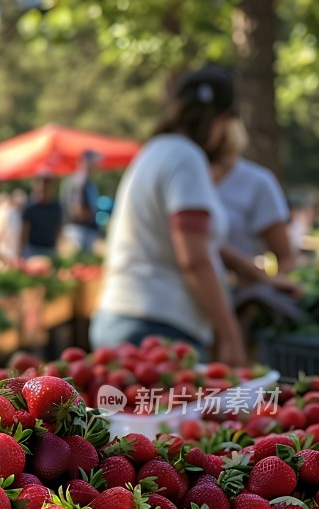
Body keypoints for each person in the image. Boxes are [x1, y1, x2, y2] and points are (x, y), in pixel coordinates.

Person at [92, 67, 247, 362]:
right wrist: (230, 336)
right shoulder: (186, 158)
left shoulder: (155, 152)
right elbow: (194, 258)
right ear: (220, 120)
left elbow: (191, 241)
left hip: (126, 320)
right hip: (158, 330)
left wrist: (252, 273)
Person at [212, 119, 295, 274]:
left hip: (243, 292)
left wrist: (268, 286)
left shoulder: (258, 182)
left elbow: (285, 257)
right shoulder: (181, 178)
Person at [64, 150, 102, 253]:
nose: (96, 166)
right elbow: (76, 210)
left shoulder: (90, 183)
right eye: (94, 163)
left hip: (87, 229)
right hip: (78, 230)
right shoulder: (78, 182)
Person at [22, 176, 63, 259]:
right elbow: (25, 230)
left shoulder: (56, 207)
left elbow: (58, 227)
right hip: (32, 249)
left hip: (50, 249)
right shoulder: (30, 207)